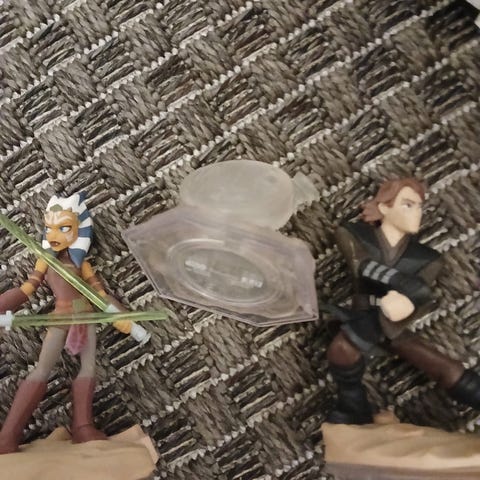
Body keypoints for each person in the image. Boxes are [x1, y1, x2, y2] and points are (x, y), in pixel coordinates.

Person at [326, 178, 479, 424]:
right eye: (408, 204)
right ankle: (352, 404)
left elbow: (422, 293)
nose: (417, 212)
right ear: (384, 207)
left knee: (447, 370)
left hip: (392, 323)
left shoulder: (427, 258)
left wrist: (410, 303)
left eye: (419, 206)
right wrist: (404, 284)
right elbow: (362, 265)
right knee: (342, 349)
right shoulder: (353, 234)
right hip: (364, 314)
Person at [0, 192, 136, 453]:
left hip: (86, 316)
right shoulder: (46, 260)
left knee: (89, 368)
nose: (54, 234)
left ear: (78, 230)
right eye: (50, 228)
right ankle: (9, 435)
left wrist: (120, 316)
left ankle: (83, 426)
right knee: (42, 369)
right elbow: (27, 289)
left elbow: (100, 294)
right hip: (61, 317)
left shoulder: (82, 264)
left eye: (63, 228)